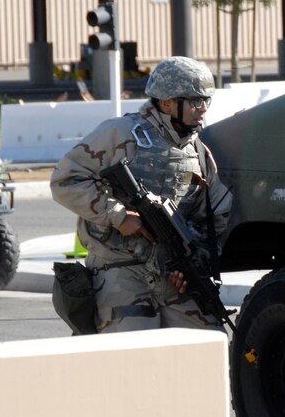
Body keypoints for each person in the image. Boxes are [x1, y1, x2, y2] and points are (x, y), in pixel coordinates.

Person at [50, 56, 232, 333]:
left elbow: (214, 217)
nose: (203, 108)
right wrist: (118, 215)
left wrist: (193, 265)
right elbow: (65, 180)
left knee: (209, 344)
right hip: (120, 271)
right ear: (167, 102)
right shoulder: (121, 134)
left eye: (206, 100)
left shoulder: (198, 152)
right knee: (130, 359)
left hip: (172, 278)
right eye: (195, 100)